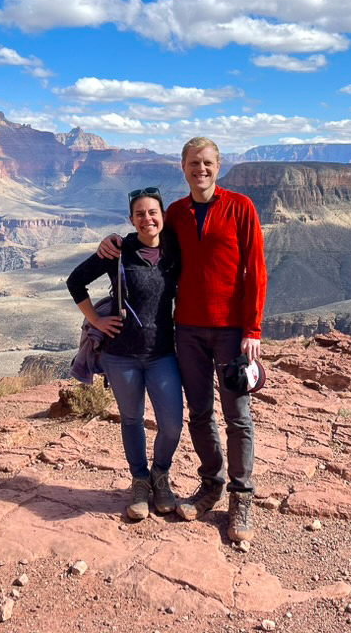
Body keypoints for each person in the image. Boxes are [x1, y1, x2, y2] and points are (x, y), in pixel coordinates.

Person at [99, 137, 267, 543]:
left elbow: (256, 271)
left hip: (230, 332)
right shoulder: (175, 212)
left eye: (208, 163)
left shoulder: (240, 206)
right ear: (183, 167)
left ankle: (240, 499)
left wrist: (253, 330)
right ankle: (212, 486)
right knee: (200, 414)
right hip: (187, 330)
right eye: (194, 163)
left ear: (218, 165)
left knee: (238, 416)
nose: (201, 169)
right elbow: (147, 235)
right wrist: (112, 244)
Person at [66, 188, 183, 520]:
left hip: (162, 353)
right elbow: (76, 282)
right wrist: (96, 321)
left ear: (162, 216)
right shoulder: (118, 250)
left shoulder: (175, 248)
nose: (147, 219)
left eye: (153, 212)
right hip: (120, 355)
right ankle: (140, 482)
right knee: (131, 419)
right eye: (140, 214)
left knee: (172, 424)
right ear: (132, 219)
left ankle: (161, 474)